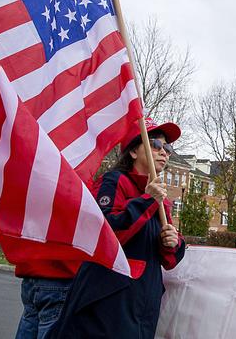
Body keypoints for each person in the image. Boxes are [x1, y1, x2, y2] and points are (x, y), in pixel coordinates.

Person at [50, 118, 186, 338]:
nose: (165, 152)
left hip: (144, 302)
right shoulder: (114, 182)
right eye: (155, 144)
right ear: (133, 151)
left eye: (168, 148)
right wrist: (146, 200)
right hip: (109, 298)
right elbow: (105, 233)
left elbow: (169, 260)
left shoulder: (162, 200)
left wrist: (172, 243)